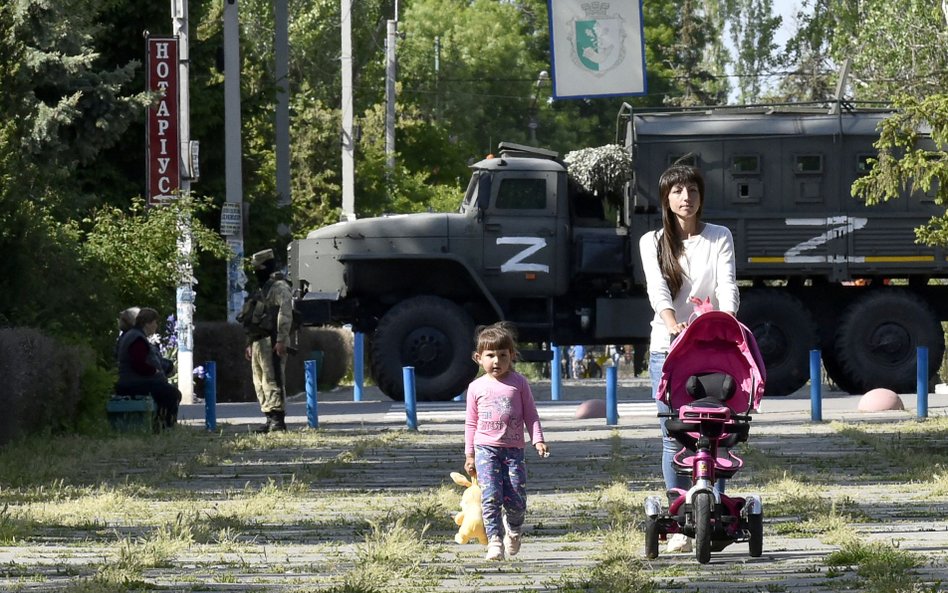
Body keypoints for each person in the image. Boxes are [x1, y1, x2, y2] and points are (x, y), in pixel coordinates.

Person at [638, 164, 739, 553]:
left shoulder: (719, 237)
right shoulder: (653, 241)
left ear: (701, 195)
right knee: (674, 435)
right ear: (666, 198)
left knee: (717, 433)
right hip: (669, 348)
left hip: (713, 347)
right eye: (677, 191)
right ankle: (681, 516)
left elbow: (727, 283)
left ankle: (713, 514)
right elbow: (657, 289)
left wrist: (726, 325)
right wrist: (672, 323)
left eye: (692, 190)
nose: (686, 198)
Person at [463, 321, 550, 561]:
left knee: (516, 500)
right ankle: (494, 541)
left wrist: (538, 440)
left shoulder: (519, 383)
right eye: (490, 355)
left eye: (503, 355)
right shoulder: (475, 387)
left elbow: (530, 414)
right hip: (485, 449)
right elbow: (471, 423)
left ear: (512, 356)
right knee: (491, 496)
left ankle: (513, 529)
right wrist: (469, 455)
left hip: (513, 451)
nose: (497, 361)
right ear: (479, 358)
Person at [241, 248, 294, 433]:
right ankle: (269, 417)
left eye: (259, 267)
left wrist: (281, 339)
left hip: (272, 340)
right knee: (259, 381)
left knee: (273, 379)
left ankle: (278, 419)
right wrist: (249, 342)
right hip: (257, 340)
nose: (256, 272)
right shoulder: (261, 288)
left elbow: (285, 313)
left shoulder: (279, 287)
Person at [115, 307, 182, 429]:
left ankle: (160, 424)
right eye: (155, 322)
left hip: (132, 381)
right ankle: (164, 426)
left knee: (166, 392)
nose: (156, 326)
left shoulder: (133, 335)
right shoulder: (137, 338)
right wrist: (154, 371)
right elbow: (138, 363)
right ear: (148, 323)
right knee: (172, 394)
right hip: (133, 383)